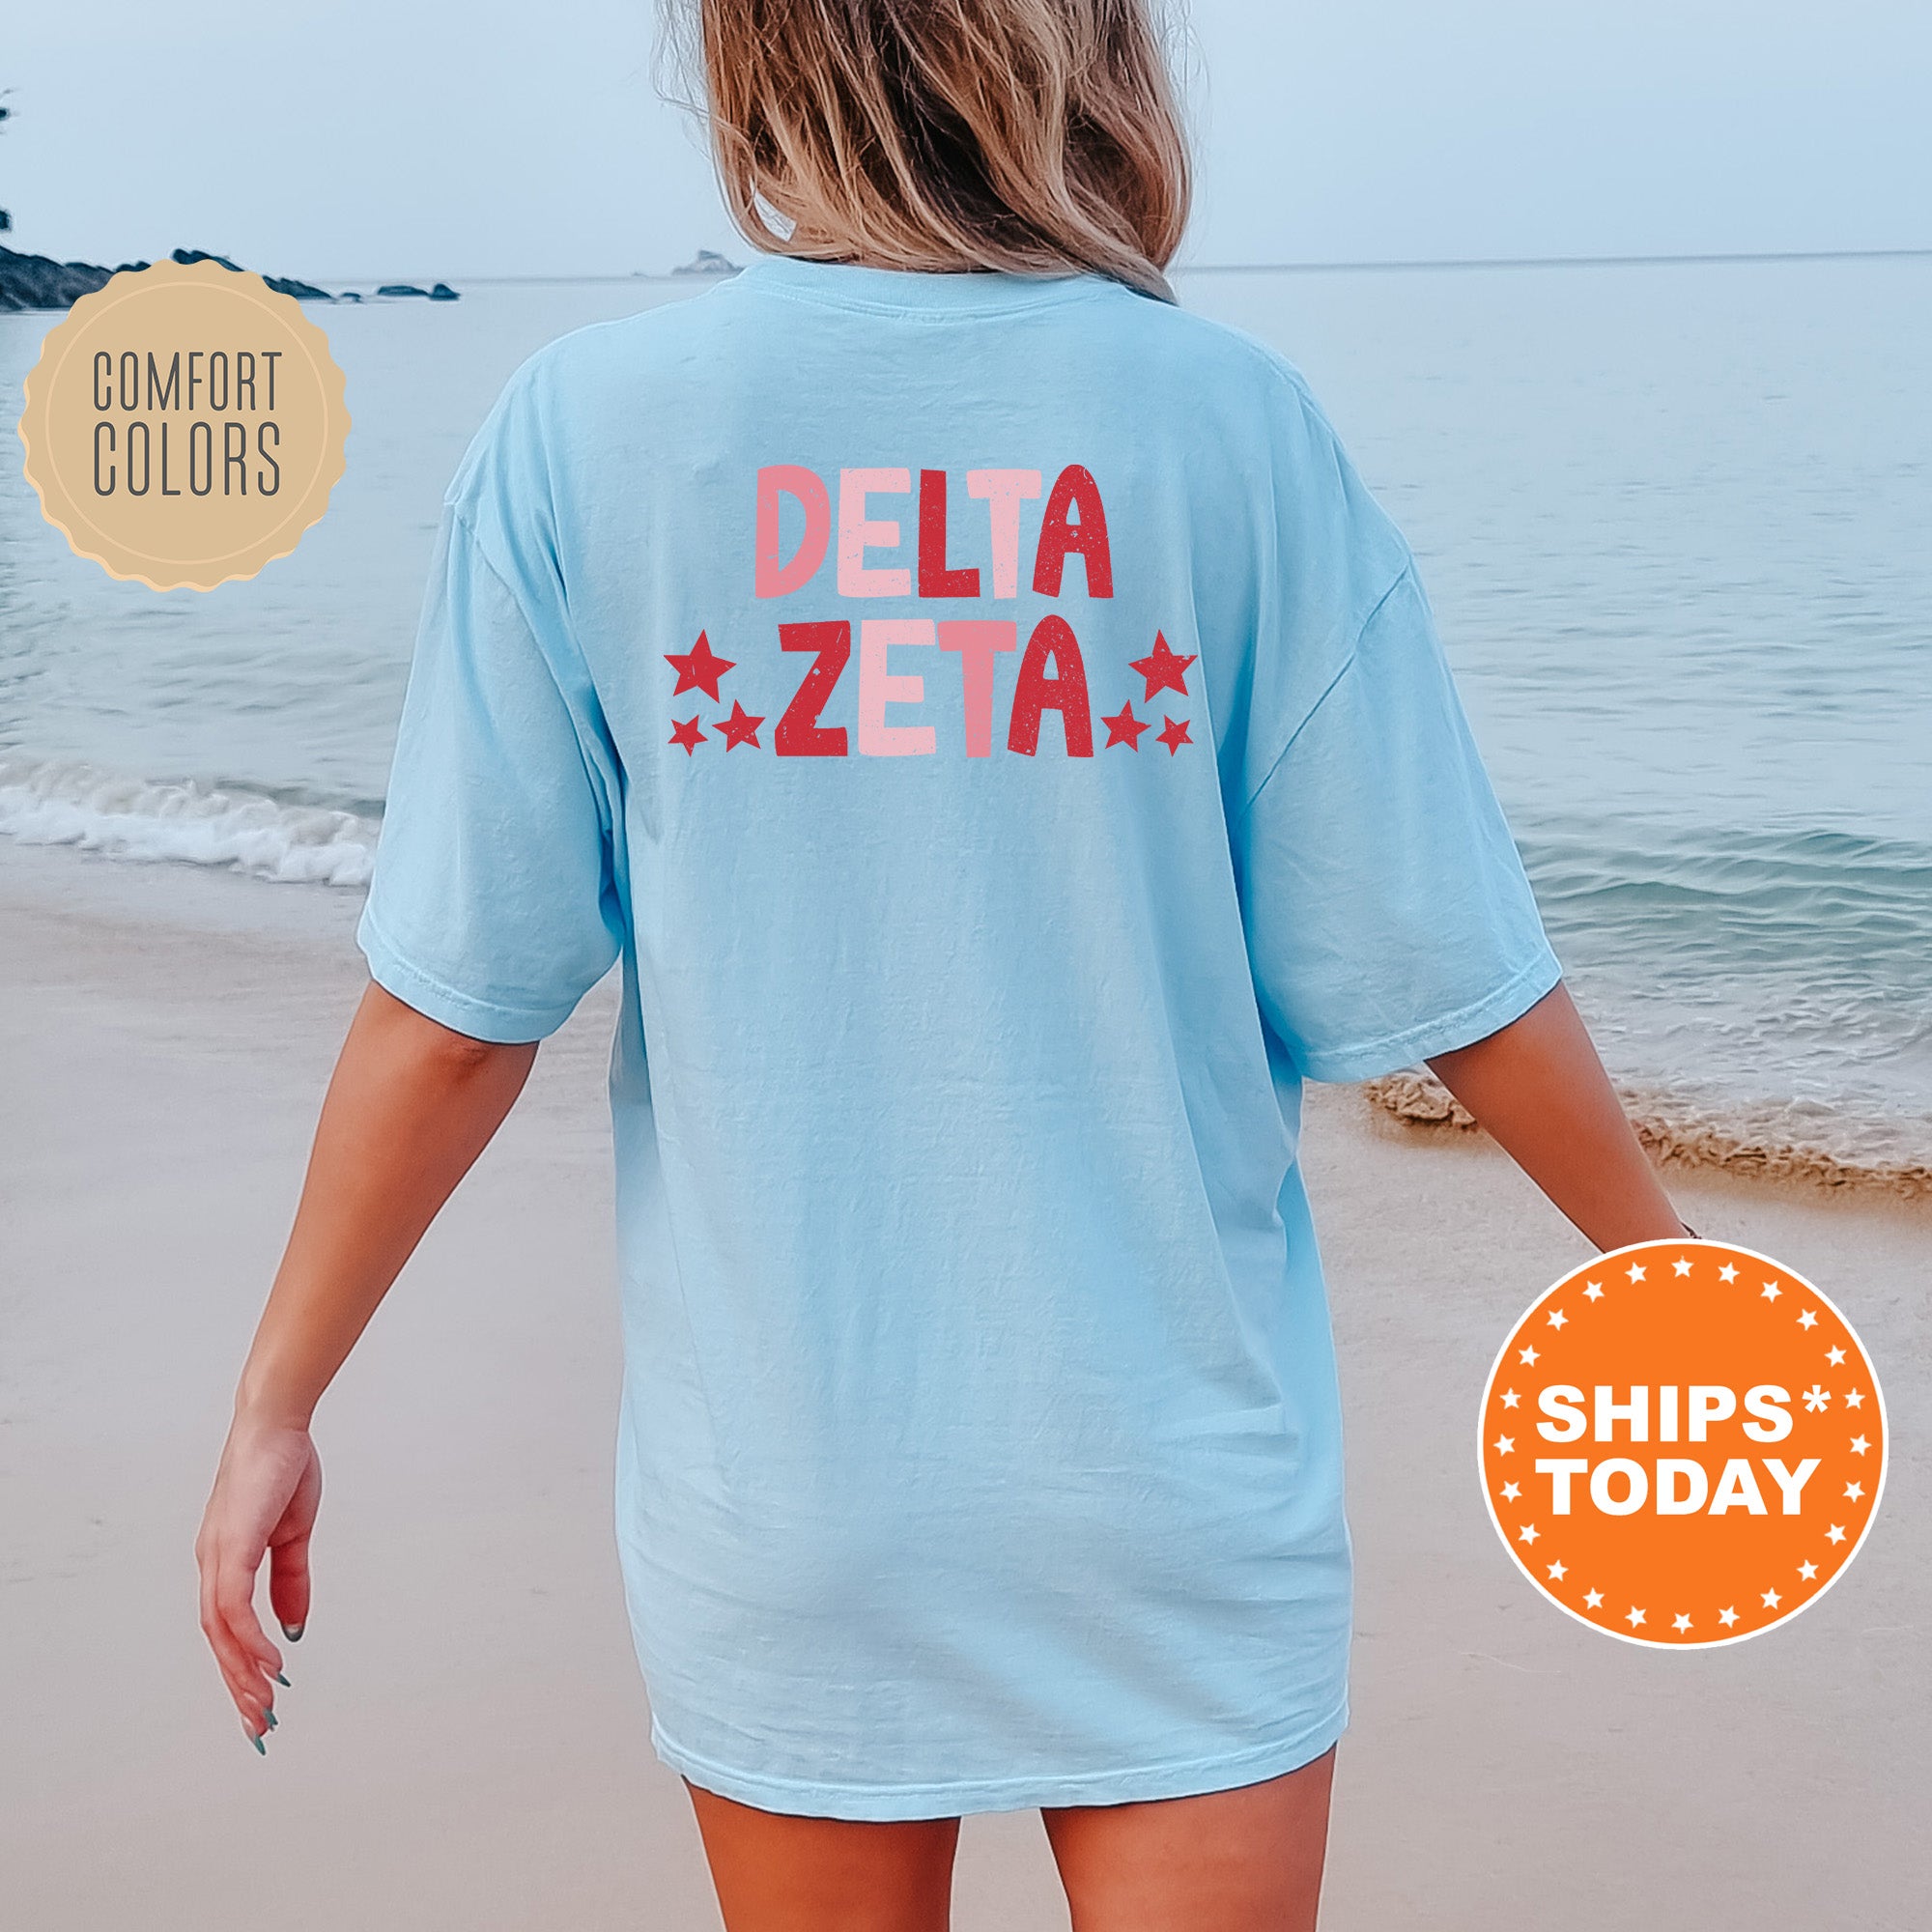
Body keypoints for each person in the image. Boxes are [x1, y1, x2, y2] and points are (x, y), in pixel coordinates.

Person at [195, 3, 1691, 1925]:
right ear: (1087, 57)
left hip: (794, 1495)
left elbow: (454, 1013)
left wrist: (274, 1402)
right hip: (1168, 1490)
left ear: (753, 61)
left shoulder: (582, 433)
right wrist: (1669, 1284)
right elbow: (1448, 968)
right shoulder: (1230, 424)